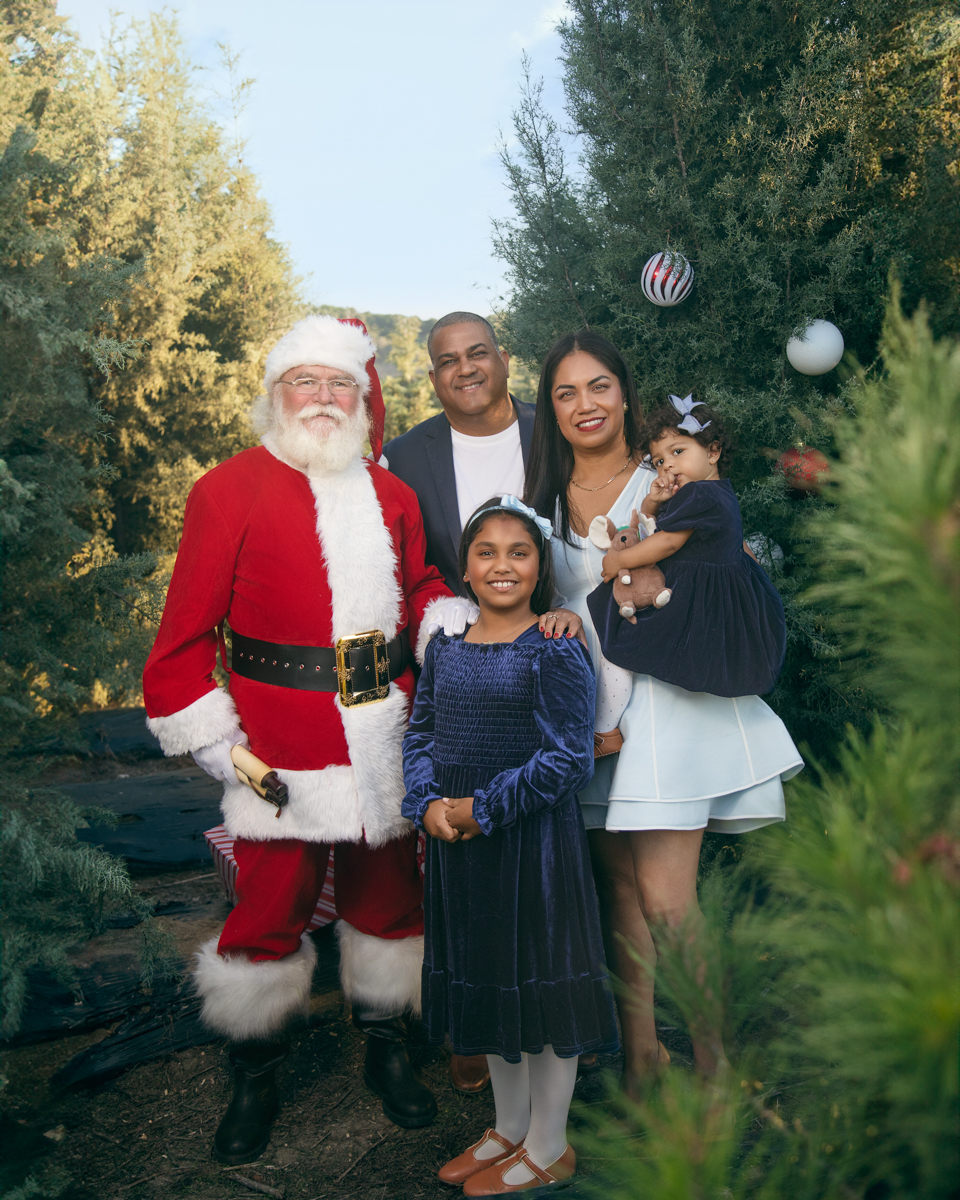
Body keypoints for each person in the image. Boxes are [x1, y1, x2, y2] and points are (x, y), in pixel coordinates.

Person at [142, 314, 466, 1165]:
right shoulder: (227, 490)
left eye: (339, 385)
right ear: (276, 393)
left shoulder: (390, 494)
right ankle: (254, 1076)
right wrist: (226, 750)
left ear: (362, 400)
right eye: (305, 382)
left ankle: (390, 1056)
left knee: (390, 906)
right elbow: (178, 649)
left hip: (385, 740)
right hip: (277, 752)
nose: (322, 398)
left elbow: (424, 582)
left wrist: (445, 623)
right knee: (267, 911)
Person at [524, 329, 803, 1096]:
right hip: (596, 713)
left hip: (670, 703)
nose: (586, 404)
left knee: (669, 901)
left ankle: (719, 1067)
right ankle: (644, 1055)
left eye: (600, 386)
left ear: (625, 392)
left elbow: (709, 555)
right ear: (551, 408)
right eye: (566, 392)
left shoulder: (668, 477)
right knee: (619, 888)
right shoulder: (541, 501)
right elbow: (550, 600)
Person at [383, 311, 583, 1093]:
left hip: (548, 655)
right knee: (465, 862)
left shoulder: (550, 430)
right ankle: (477, 1024)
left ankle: (556, 1039)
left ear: (503, 359)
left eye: (478, 353)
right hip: (459, 669)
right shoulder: (405, 454)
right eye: (446, 361)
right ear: (431, 376)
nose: (464, 369)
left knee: (549, 871)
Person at [401, 496, 619, 1194]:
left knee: (538, 988)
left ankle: (551, 1143)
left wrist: (482, 809)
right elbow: (421, 735)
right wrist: (428, 804)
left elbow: (567, 759)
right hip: (459, 846)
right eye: (486, 552)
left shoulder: (554, 648)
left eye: (518, 552)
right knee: (493, 986)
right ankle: (508, 1125)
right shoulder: (445, 649)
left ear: (540, 566)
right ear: (464, 568)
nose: (502, 565)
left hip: (531, 847)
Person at [588, 393, 787, 698]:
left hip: (703, 592)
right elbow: (653, 524)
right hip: (718, 583)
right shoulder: (711, 492)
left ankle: (609, 707)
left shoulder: (700, 496)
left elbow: (666, 542)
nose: (668, 465)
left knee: (630, 632)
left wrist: (619, 560)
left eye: (678, 451)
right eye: (659, 461)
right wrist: (652, 502)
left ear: (713, 452)